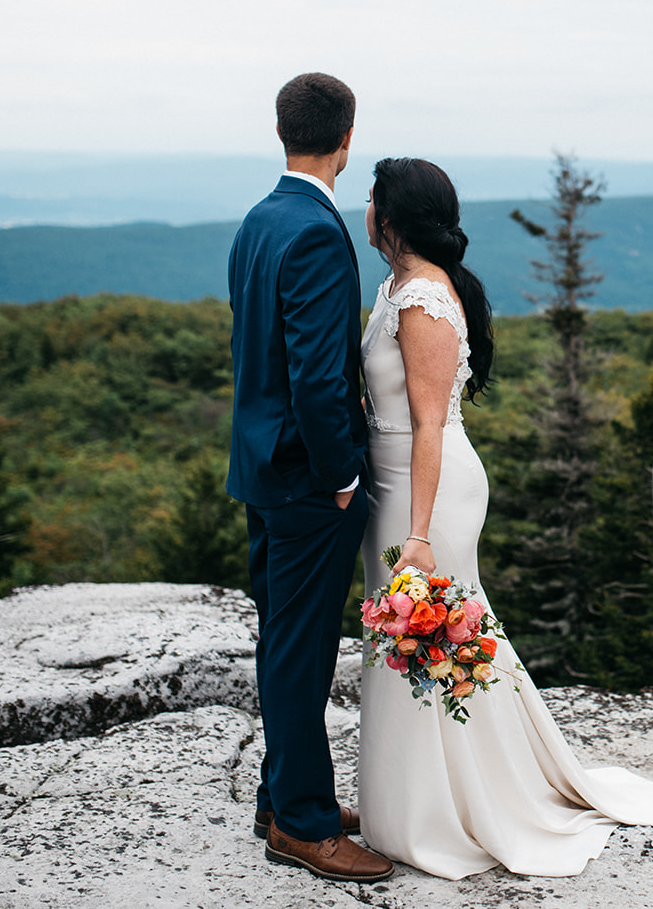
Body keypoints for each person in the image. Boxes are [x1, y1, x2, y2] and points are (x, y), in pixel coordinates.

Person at [356, 156, 653, 879]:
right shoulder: (398, 286)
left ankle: (446, 807)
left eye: (371, 199)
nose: (363, 209)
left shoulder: (424, 296)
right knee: (417, 649)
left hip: (425, 495)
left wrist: (420, 536)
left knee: (433, 644)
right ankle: (416, 796)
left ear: (390, 217)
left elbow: (429, 423)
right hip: (394, 487)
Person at [226, 72, 393, 883]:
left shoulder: (260, 220)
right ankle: (303, 824)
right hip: (305, 479)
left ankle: (282, 794)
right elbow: (318, 377)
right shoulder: (320, 232)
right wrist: (339, 476)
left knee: (282, 643)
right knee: (300, 652)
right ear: (346, 138)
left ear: (284, 131)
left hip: (260, 467)